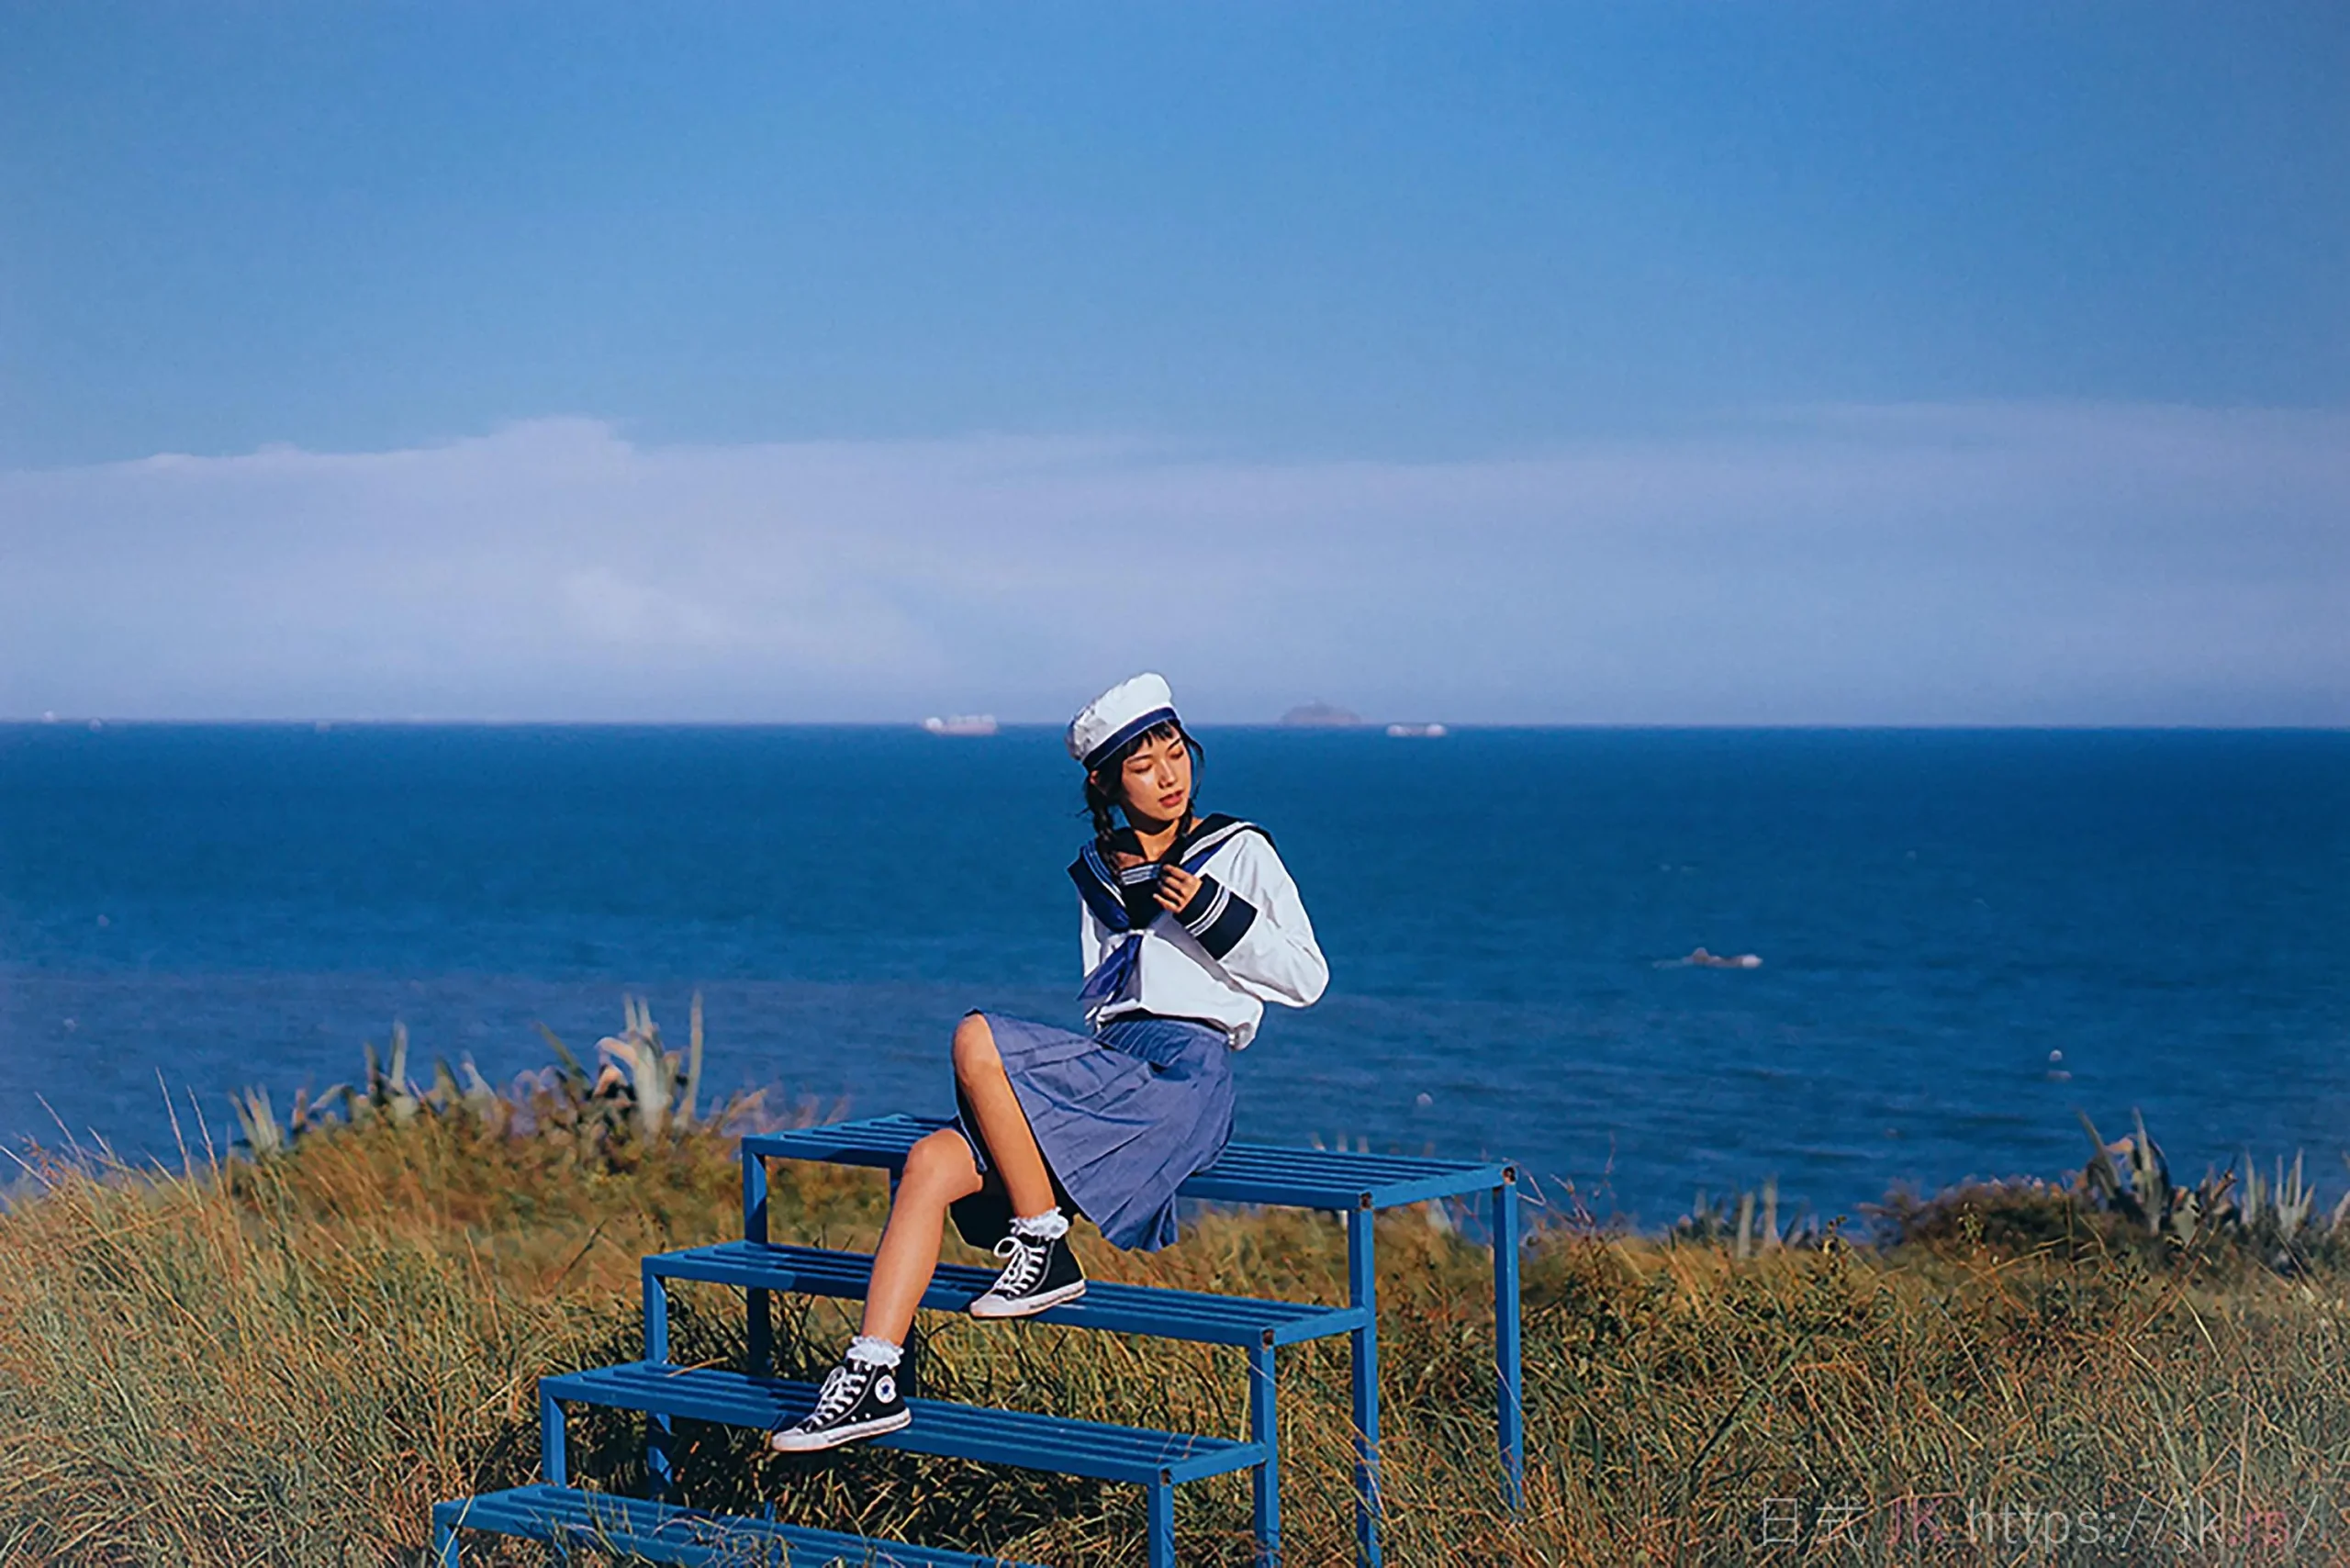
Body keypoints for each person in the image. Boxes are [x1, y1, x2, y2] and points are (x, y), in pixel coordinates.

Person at [768, 672, 1329, 1452]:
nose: (1168, 776)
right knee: (930, 1162)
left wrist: (1210, 910)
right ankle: (872, 1375)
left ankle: (1042, 1243)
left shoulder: (1239, 851)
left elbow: (1308, 977)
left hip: (1183, 1078)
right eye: (1143, 765)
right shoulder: (1102, 870)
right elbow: (1105, 1001)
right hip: (1114, 1064)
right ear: (1107, 783)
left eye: (1175, 753)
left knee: (976, 1038)